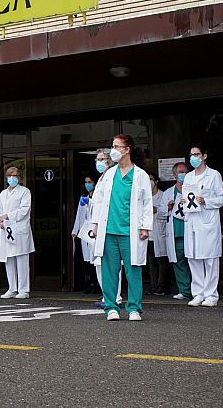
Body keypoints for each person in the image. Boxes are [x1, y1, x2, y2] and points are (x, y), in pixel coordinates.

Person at [91, 134, 153, 321]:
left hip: (130, 231)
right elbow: (98, 201)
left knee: (133, 270)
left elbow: (147, 203)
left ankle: (134, 308)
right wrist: (95, 225)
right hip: (109, 230)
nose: (113, 150)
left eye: (117, 147)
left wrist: (145, 227)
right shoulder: (109, 175)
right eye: (113, 146)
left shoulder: (140, 175)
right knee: (109, 270)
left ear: (127, 150)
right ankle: (111, 307)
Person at [181, 146, 223, 307]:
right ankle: (198, 293)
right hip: (192, 222)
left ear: (204, 156)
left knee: (210, 259)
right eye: (191, 155)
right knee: (193, 258)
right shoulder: (188, 177)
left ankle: (211, 295)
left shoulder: (214, 175)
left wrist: (206, 201)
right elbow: (186, 196)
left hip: (207, 222)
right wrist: (184, 201)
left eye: (196, 154)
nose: (193, 157)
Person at [0, 166, 35, 299]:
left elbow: (24, 210)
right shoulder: (3, 194)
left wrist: (8, 216)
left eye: (16, 176)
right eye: (10, 175)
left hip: (19, 230)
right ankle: (12, 288)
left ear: (19, 177)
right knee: (9, 260)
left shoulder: (24, 192)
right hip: (6, 230)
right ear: (7, 178)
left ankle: (23, 289)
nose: (13, 178)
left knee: (22, 260)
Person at [90, 149, 122, 309]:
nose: (99, 162)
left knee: (111, 261)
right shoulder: (102, 178)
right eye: (97, 159)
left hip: (107, 224)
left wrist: (97, 223)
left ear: (109, 161)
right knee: (99, 262)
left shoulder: (112, 177)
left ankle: (115, 297)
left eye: (102, 159)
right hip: (98, 225)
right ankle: (107, 295)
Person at [159, 162, 192, 300]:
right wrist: (168, 207)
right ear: (174, 175)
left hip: (191, 231)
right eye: (180, 172)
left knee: (194, 261)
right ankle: (184, 290)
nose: (183, 174)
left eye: (185, 172)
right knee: (179, 261)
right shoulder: (168, 193)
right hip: (176, 233)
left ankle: (198, 290)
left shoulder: (193, 190)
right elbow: (160, 213)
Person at [71, 174, 97, 292]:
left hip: (94, 231)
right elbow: (79, 216)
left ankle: (97, 283)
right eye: (86, 182)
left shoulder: (97, 197)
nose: (87, 184)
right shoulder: (83, 197)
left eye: (90, 181)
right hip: (84, 231)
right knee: (87, 259)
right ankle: (91, 282)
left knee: (95, 258)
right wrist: (75, 230)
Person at [147, 172, 169, 295]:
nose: (149, 181)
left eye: (151, 179)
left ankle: (161, 286)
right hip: (149, 233)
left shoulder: (162, 195)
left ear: (156, 181)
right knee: (151, 261)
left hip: (160, 232)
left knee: (161, 260)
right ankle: (153, 285)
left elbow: (165, 211)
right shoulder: (145, 196)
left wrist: (157, 210)